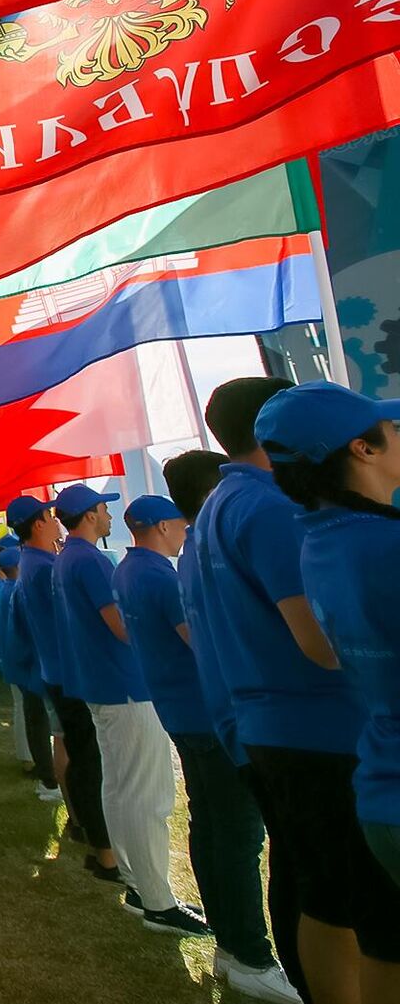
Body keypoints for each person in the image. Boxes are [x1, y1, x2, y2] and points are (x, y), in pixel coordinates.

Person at [198, 378, 372, 1004]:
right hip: (318, 727)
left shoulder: (222, 505)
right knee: (342, 895)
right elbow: (320, 638)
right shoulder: (269, 508)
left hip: (270, 726)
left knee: (311, 878)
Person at [113, 493, 298, 999]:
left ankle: (231, 942)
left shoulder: (130, 571)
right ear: (158, 526)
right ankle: (250, 954)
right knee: (238, 837)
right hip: (206, 715)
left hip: (182, 713)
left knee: (213, 826)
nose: (183, 531)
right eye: (177, 523)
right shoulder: (156, 575)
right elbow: (200, 640)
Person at [256, 382, 400, 990]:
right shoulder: (383, 545)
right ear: (362, 450)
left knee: (388, 948)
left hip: (381, 785)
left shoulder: (324, 538)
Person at [168, 448, 311, 1003]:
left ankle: (238, 945)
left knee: (224, 833)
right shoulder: (226, 535)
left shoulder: (193, 551)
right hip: (242, 718)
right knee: (252, 843)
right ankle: (250, 952)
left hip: (223, 714)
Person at [54, 483, 206, 936]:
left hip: (104, 685)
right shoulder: (91, 560)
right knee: (148, 793)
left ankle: (138, 882)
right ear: (89, 514)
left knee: (121, 786)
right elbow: (119, 627)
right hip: (124, 687)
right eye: (102, 509)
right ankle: (156, 899)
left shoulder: (71, 559)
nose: (107, 516)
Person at [10, 494, 118, 879]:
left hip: (59, 671)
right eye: (49, 516)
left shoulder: (38, 564)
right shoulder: (41, 567)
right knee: (89, 759)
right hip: (68, 673)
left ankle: (85, 828)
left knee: (79, 753)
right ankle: (102, 846)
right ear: (38, 523)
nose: (57, 522)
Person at [0, 543, 61, 802]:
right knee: (38, 721)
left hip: (19, 666)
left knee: (33, 719)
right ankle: (47, 777)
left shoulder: (2, 591)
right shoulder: (17, 592)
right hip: (29, 667)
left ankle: (42, 772)